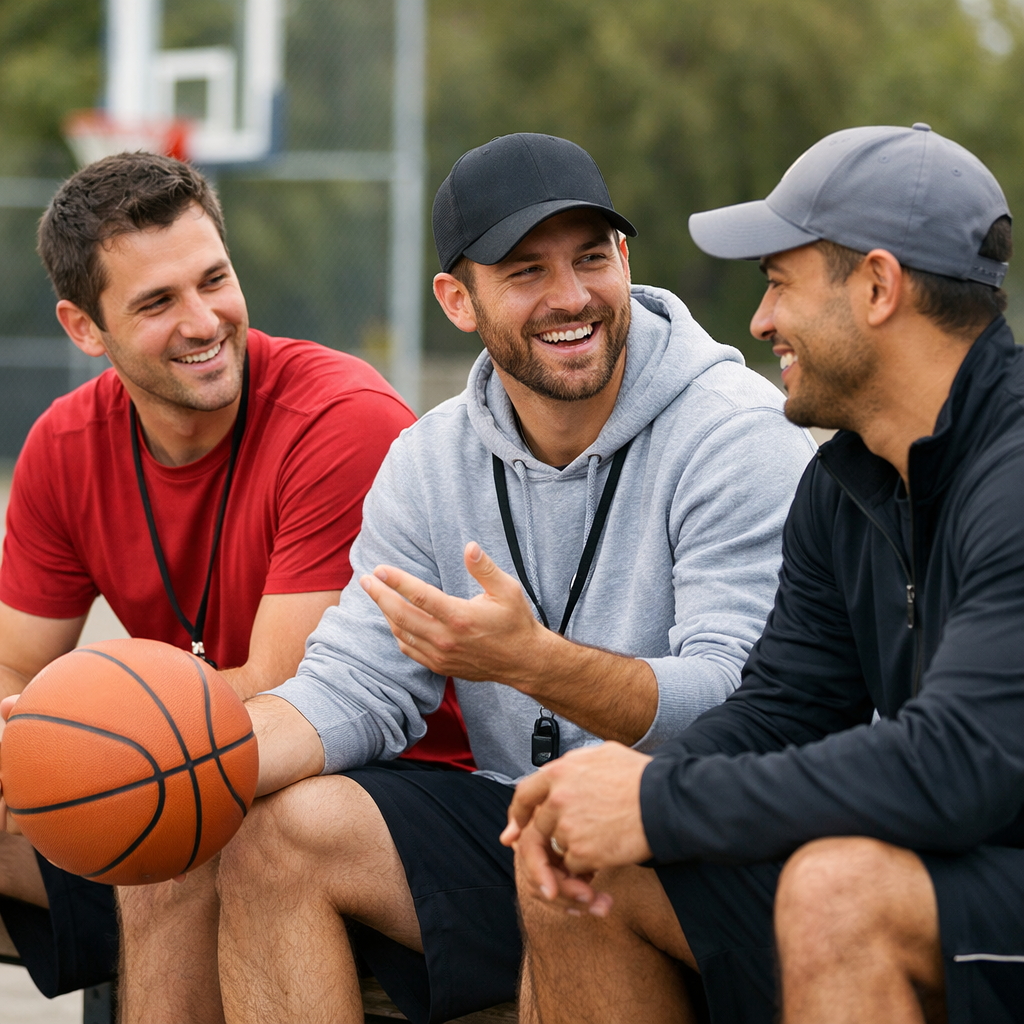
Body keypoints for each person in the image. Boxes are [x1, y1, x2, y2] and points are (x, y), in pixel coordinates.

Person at [169, 132, 822, 1024]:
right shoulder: (429, 460)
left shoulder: (733, 433)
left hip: (692, 833)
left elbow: (740, 704)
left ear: (626, 258)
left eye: (592, 258)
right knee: (268, 831)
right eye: (524, 271)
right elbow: (354, 684)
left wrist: (536, 663)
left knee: (577, 840)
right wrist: (190, 764)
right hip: (518, 824)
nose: (571, 297)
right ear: (458, 299)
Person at [505, 123, 1024, 1024]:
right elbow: (786, 708)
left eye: (780, 283)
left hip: (978, 857)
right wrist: (609, 794)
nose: (760, 321)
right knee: (589, 862)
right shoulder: (846, 479)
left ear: (876, 286)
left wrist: (661, 798)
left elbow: (958, 762)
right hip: (965, 867)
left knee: (839, 890)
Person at [0, 152, 472, 1011]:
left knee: (175, 793)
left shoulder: (339, 420)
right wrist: (22, 753)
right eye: (156, 302)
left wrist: (83, 745)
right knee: (136, 780)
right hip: (207, 760)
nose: (204, 319)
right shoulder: (65, 446)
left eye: (213, 279)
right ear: (83, 327)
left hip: (391, 782)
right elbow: (16, 665)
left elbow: (277, 697)